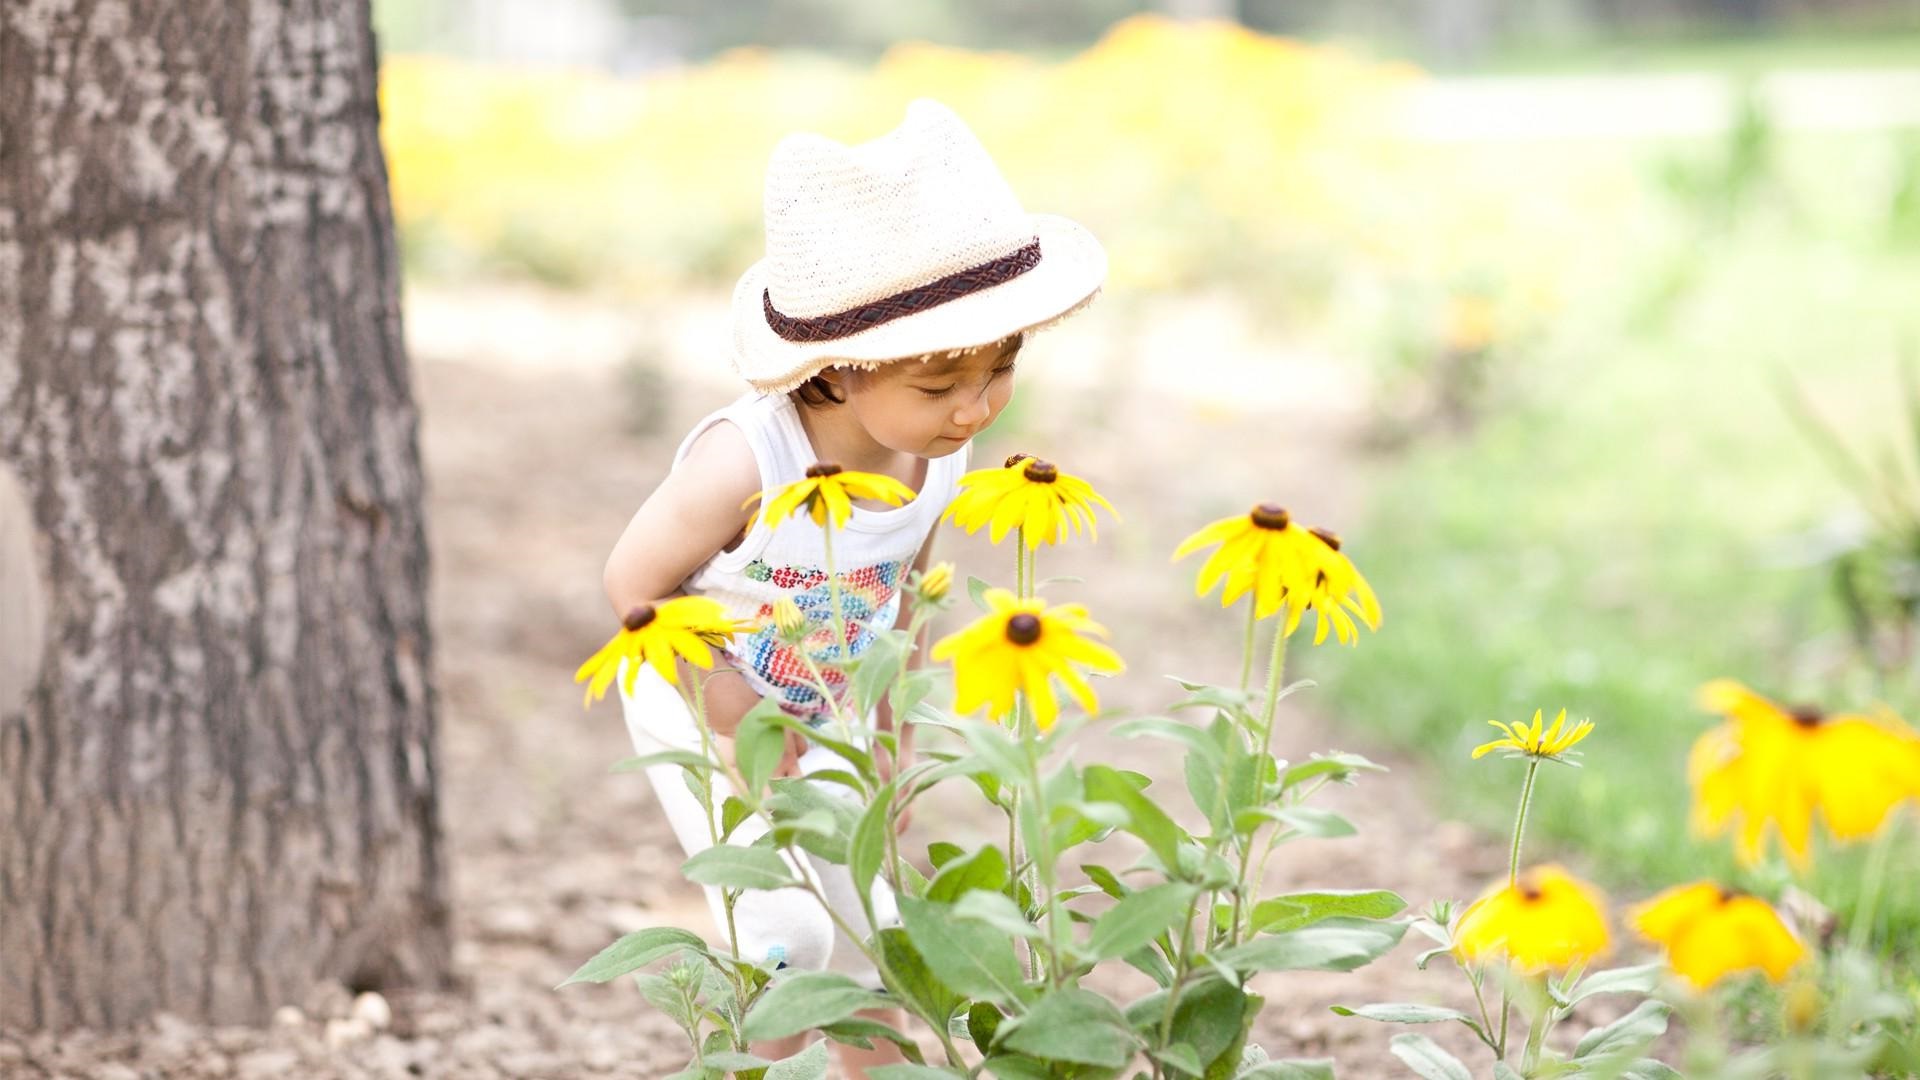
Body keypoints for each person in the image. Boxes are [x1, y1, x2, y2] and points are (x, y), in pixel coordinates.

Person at [599, 98, 1105, 1076]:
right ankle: (763, 1064)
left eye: (1003, 368)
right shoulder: (746, 460)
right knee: (786, 931)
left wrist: (893, 728)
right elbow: (632, 585)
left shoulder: (943, 453)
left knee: (873, 922)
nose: (976, 407)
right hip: (700, 691)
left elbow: (906, 594)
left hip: (835, 691)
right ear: (833, 371)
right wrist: (735, 714)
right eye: (939, 386)